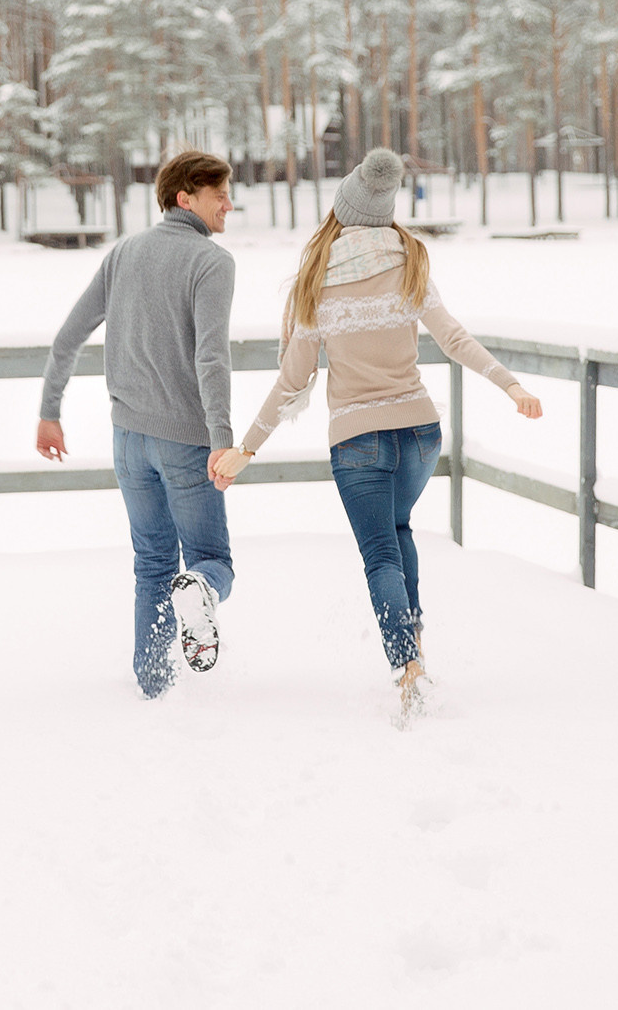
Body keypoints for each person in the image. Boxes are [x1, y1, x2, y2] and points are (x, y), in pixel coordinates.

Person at [214, 147, 541, 718]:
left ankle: (406, 666)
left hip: (359, 442)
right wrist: (510, 385)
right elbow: (453, 337)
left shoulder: (319, 280)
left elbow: (293, 379)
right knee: (398, 531)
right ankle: (416, 651)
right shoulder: (410, 261)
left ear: (340, 212)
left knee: (380, 555)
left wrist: (247, 448)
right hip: (420, 433)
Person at [37, 151, 243, 699]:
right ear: (185, 198)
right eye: (218, 193)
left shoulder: (124, 252)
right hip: (185, 441)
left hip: (128, 440)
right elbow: (211, 359)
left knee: (152, 563)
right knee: (210, 560)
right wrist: (223, 441)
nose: (229, 203)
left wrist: (49, 412)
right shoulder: (212, 262)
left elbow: (67, 338)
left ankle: (153, 686)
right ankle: (199, 589)